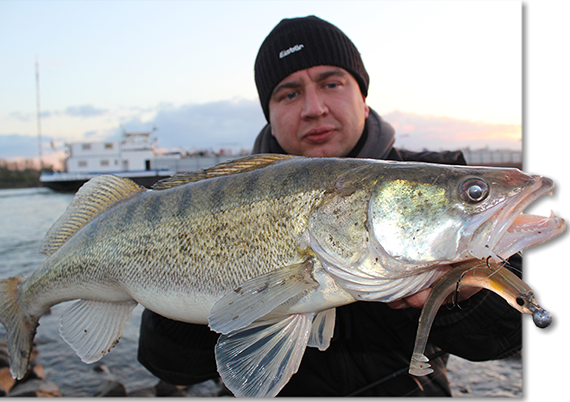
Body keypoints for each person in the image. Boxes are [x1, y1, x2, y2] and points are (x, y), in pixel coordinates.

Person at [138, 15, 522, 396]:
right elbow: (172, 367)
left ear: (364, 99)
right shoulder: (208, 202)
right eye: (288, 93)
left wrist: (468, 293)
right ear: (270, 120)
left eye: (332, 83)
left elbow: (507, 338)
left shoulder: (441, 175)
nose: (314, 107)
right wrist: (185, 285)